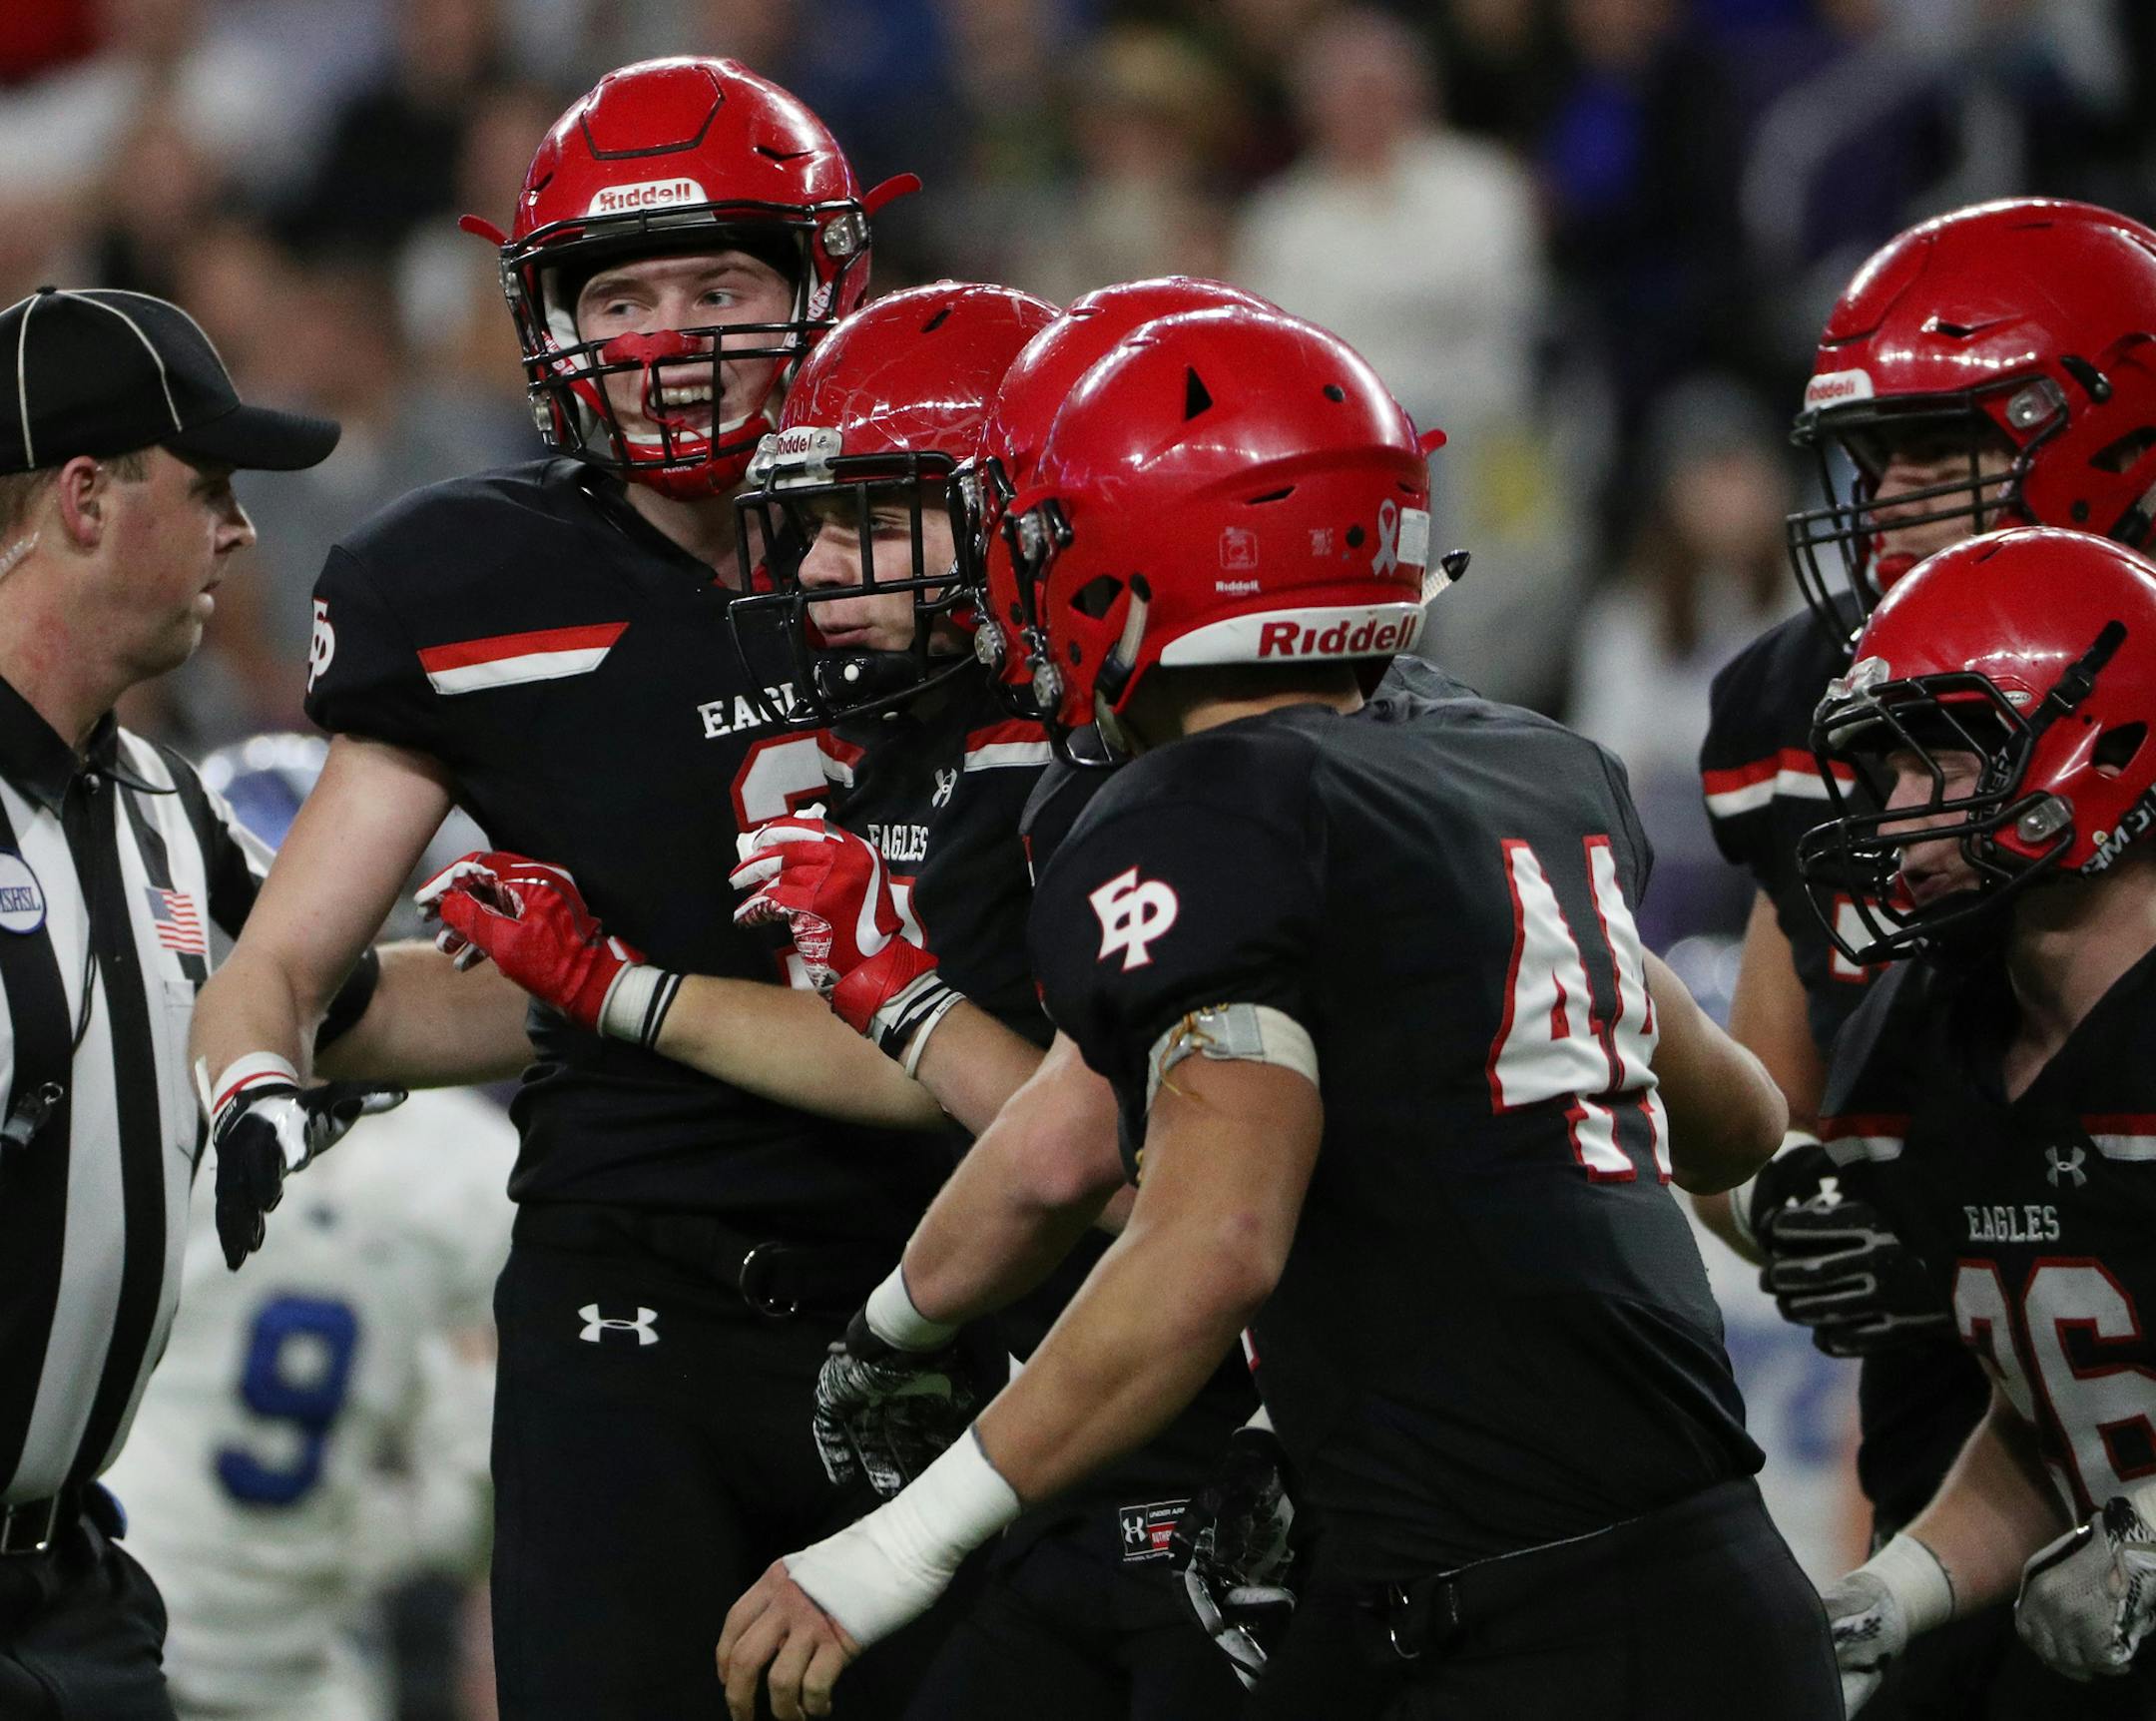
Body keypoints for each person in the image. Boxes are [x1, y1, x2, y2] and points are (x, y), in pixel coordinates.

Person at [714, 302, 1831, 1721]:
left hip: (1515, 1623)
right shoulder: (1518, 765)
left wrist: (890, 1548)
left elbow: (1215, 1239)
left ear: (1142, 560)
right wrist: (896, 1328)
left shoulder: (1209, 804)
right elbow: (1732, 1115)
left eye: (1037, 541)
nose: (1012, 587)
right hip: (1694, 1576)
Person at [185, 56, 969, 1721]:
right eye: (623, 294)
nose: (673, 334)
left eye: (720, 283)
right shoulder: (464, 580)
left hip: (968, 1247)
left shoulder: (958, 512)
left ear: (827, 284)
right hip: (644, 1284)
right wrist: (256, 1068)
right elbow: (297, 964)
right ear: (550, 325)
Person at [423, 276, 1268, 1717]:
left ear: (1030, 512)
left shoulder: (1128, 777)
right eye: (816, 523)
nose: (816, 571)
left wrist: (883, 1004)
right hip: (1070, 1427)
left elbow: (1130, 1175)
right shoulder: (987, 748)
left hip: (1218, 1444)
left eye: (873, 521)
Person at [0, 286, 524, 1721]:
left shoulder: (165, 803)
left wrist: (646, 986)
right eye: (213, 488)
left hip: (70, 1590)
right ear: (87, 499)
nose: (240, 530)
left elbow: (343, 1008)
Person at [1693, 197, 2156, 1717]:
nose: (1881, 500)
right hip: (1996, 1370)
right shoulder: (1809, 695)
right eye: (1869, 454)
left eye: (1932, 447)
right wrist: (1793, 1206)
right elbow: (1769, 1090)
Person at [1792, 526, 2156, 1714]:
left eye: (1933, 763)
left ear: (2091, 752)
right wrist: (1896, 1587)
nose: (1892, 813)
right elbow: (2066, 1411)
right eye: (1883, 774)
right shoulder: (1934, 1036)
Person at [104, 736, 517, 1721]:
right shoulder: (470, 1164)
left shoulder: (142, 1095)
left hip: (112, 1604)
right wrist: (377, 1525)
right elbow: (468, 1495)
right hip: (300, 1652)